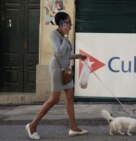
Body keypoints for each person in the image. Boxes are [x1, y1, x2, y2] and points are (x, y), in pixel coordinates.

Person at [25, 12, 88, 140]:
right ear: (62, 23)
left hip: (65, 70)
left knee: (70, 97)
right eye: (69, 22)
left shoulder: (64, 36)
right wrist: (65, 37)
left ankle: (73, 128)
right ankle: (32, 126)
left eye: (70, 23)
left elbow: (65, 55)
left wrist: (78, 56)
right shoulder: (54, 34)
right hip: (56, 69)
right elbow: (58, 52)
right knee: (54, 99)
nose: (71, 25)